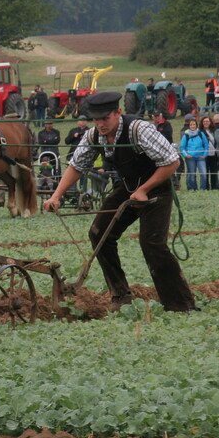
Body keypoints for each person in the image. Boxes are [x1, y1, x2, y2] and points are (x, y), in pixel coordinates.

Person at [43, 92, 197, 313]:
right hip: (127, 186)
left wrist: (144, 190)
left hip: (156, 188)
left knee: (152, 243)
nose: (100, 124)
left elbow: (172, 162)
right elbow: (77, 166)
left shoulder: (139, 130)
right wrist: (56, 196)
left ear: (118, 113)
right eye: (96, 119)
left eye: (105, 118)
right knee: (99, 233)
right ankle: (120, 295)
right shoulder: (93, 136)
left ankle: (181, 305)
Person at [179, 117, 209, 191]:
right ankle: (194, 189)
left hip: (201, 157)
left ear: (196, 125)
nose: (193, 126)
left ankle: (202, 189)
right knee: (192, 175)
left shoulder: (201, 134)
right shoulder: (186, 135)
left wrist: (205, 154)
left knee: (204, 174)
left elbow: (206, 145)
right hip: (190, 158)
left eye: (194, 124)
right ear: (189, 126)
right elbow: (182, 147)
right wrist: (186, 155)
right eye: (191, 124)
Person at [201, 116, 218, 189]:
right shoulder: (200, 132)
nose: (206, 123)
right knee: (206, 172)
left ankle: (215, 187)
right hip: (205, 154)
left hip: (214, 154)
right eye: (204, 121)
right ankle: (206, 187)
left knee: (214, 171)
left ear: (210, 122)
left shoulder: (214, 131)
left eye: (207, 121)